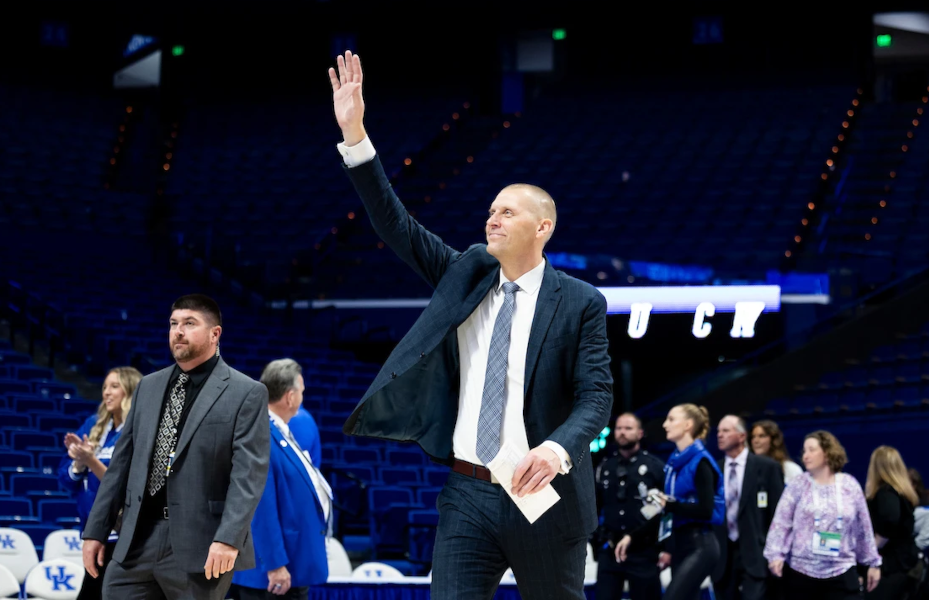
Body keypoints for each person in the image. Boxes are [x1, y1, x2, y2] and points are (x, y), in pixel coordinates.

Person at [329, 51, 613, 600]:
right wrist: (356, 134)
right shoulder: (466, 273)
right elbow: (396, 226)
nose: (493, 218)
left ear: (543, 227)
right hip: (468, 491)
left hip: (545, 494)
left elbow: (596, 396)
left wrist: (557, 451)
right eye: (491, 210)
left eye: (508, 212)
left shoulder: (581, 302)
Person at [81, 294, 271, 600]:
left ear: (215, 333)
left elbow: (248, 476)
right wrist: (95, 531)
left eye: (189, 323)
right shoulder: (148, 386)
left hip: (202, 544)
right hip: (136, 539)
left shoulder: (246, 393)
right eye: (173, 323)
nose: (178, 331)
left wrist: (228, 538)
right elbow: (120, 465)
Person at [231, 359, 331, 600]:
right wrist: (275, 565)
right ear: (289, 397)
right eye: (302, 392)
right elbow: (260, 506)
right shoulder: (261, 433)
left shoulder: (278, 429)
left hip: (286, 566)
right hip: (271, 575)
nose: (302, 398)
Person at [615, 404, 725, 600]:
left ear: (687, 425)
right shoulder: (673, 464)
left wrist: (669, 504)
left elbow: (706, 510)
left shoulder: (701, 462)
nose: (665, 424)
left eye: (672, 419)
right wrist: (632, 537)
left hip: (701, 545)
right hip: (680, 544)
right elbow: (666, 512)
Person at [764, 431, 881, 599]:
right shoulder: (798, 484)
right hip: (801, 572)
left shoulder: (849, 485)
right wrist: (775, 555)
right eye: (804, 451)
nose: (806, 455)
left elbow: (863, 527)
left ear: (827, 452)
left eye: (812, 450)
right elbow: (781, 522)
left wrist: (873, 563)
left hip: (842, 569)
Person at [57, 366, 142, 599]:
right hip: (92, 531)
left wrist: (91, 460)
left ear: (131, 391)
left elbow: (126, 486)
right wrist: (79, 464)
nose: (106, 392)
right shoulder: (94, 424)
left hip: (120, 534)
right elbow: (64, 478)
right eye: (105, 387)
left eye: (115, 386)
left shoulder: (138, 430)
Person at [593, 413, 666, 600]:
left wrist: (666, 548)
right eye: (619, 428)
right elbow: (594, 506)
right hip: (610, 549)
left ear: (640, 433)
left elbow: (664, 512)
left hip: (644, 550)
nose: (622, 432)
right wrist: (596, 541)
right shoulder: (605, 467)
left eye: (628, 428)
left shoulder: (655, 467)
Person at [715, 415, 785, 600]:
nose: (720, 435)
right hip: (723, 556)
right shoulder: (715, 469)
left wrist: (775, 552)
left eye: (726, 431)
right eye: (718, 431)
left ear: (741, 436)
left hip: (756, 553)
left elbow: (778, 515)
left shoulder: (767, 467)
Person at [863, 446, 919, 600]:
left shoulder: (885, 492)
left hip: (890, 565)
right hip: (903, 562)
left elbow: (889, 522)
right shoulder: (902, 492)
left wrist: (872, 549)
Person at [750, 420, 803, 485]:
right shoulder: (748, 469)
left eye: (761, 436)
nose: (756, 441)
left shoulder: (791, 469)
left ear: (774, 440)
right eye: (753, 437)